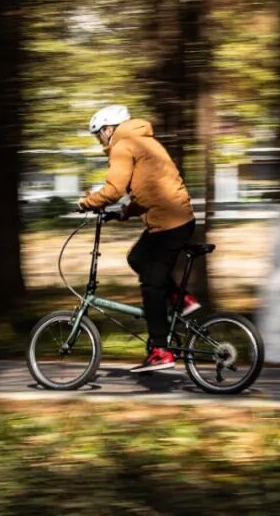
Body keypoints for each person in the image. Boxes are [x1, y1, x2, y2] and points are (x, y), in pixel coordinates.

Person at [78, 105, 200, 373]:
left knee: (151, 285)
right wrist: (126, 212)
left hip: (169, 224)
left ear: (109, 129)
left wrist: (86, 203)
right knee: (137, 257)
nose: (100, 140)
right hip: (176, 219)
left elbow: (113, 189)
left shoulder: (123, 146)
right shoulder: (146, 142)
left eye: (99, 134)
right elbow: (152, 187)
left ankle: (160, 351)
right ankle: (181, 297)